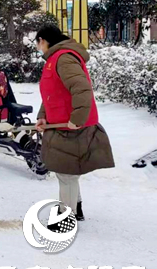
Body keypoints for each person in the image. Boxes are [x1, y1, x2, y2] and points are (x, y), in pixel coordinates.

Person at [34, 25, 115, 221]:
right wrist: (42, 114)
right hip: (61, 124)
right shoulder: (56, 59)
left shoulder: (63, 58)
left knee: (66, 174)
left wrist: (76, 119)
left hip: (71, 127)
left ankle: (65, 218)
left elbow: (82, 89)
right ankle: (75, 210)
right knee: (69, 172)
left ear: (43, 40)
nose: (37, 47)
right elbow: (52, 92)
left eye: (37, 43)